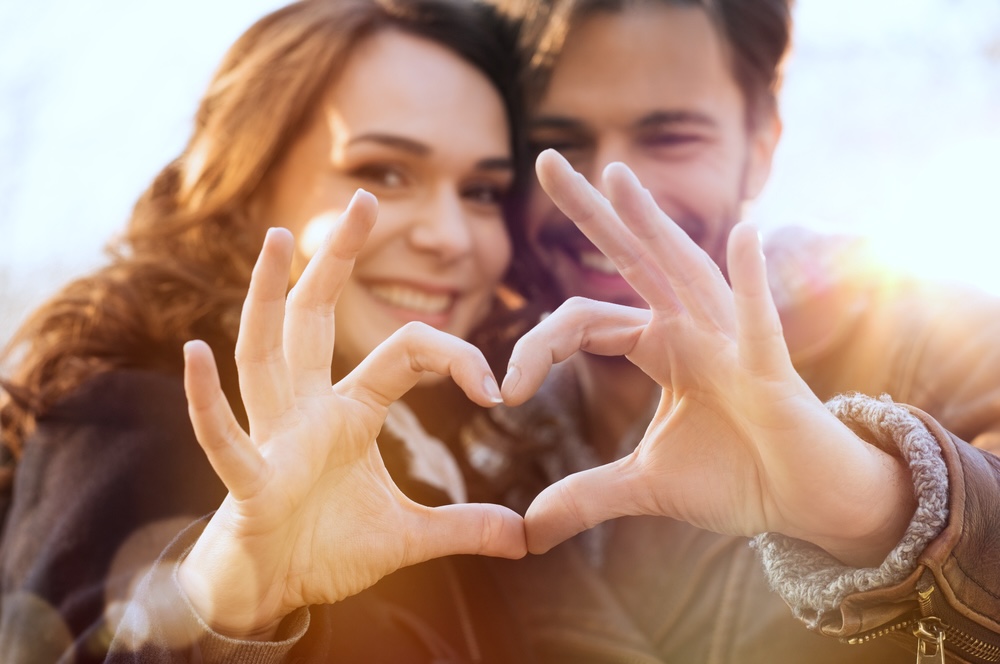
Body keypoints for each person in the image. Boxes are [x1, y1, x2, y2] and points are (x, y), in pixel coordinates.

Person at [0, 0, 536, 661]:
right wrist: (225, 617)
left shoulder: (457, 455)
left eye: (482, 191)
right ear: (250, 180)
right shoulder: (140, 422)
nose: (450, 237)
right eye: (384, 173)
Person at [474, 0, 1000, 661]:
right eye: (560, 144)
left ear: (760, 149)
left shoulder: (939, 337)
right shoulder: (466, 418)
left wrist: (878, 509)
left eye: (670, 137)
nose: (609, 187)